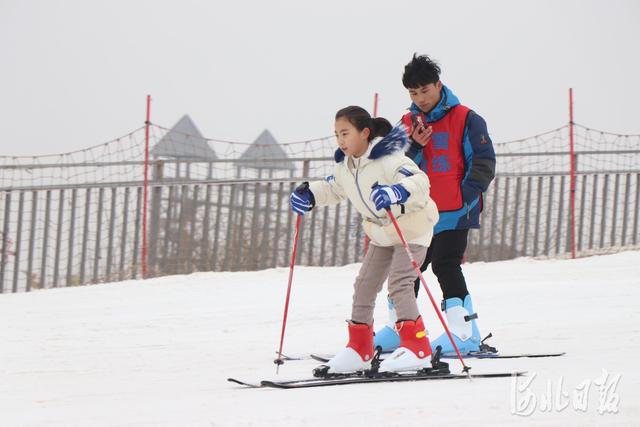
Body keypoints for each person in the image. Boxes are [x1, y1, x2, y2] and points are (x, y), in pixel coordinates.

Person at [289, 106, 439, 373]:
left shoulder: (388, 157)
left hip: (412, 228)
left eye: (345, 133)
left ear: (365, 132)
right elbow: (334, 189)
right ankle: (360, 349)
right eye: (336, 135)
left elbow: (421, 181)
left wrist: (397, 192)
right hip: (381, 232)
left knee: (400, 284)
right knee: (364, 286)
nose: (341, 140)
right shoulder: (345, 166)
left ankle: (418, 348)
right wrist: (310, 193)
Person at [374, 54, 496, 356]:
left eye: (425, 90)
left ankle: (465, 332)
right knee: (406, 271)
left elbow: (483, 162)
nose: (421, 98)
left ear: (438, 85)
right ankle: (402, 328)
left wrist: (464, 197)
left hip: (455, 211)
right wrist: (416, 145)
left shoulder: (467, 118)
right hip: (416, 214)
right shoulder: (405, 124)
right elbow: (391, 166)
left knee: (445, 264)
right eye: (413, 93)